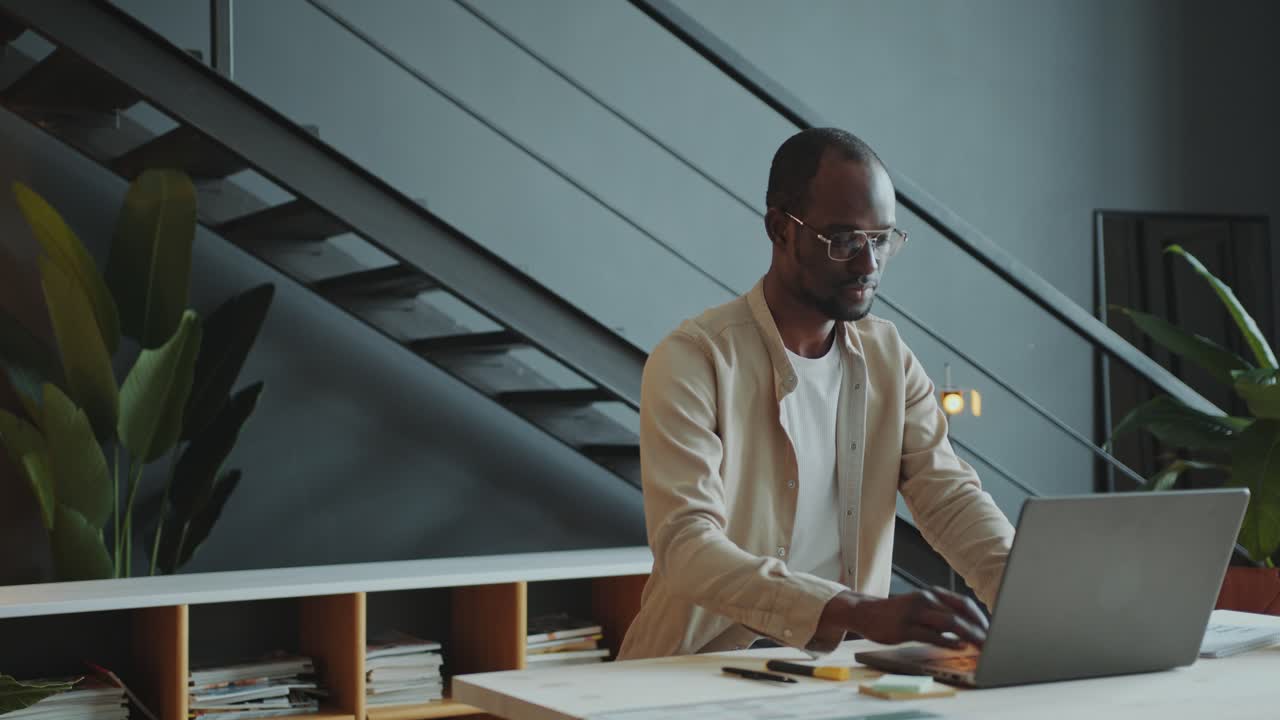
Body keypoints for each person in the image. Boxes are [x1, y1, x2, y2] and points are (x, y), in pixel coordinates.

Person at [617, 128, 1016, 660]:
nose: (868, 265)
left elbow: (950, 499)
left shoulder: (889, 358)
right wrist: (857, 611)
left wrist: (1036, 601)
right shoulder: (695, 359)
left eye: (882, 240)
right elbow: (687, 548)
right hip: (694, 673)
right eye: (845, 240)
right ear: (781, 229)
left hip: (835, 677)